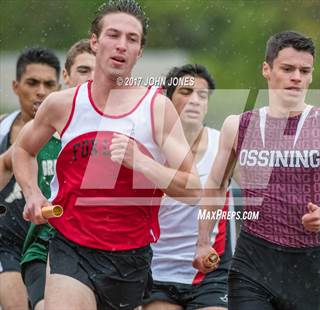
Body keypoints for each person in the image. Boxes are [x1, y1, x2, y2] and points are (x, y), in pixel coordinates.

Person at [12, 1, 201, 309]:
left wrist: (142, 163)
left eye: (132, 39)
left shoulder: (156, 108)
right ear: (95, 41)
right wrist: (33, 193)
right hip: (71, 245)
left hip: (130, 255)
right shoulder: (63, 104)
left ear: (139, 52)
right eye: (114, 35)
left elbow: (193, 188)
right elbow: (23, 149)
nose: (122, 46)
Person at [193, 31, 320, 310]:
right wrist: (203, 242)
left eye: (304, 71)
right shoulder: (238, 125)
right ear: (267, 69)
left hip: (305, 264)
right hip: (252, 259)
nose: (296, 77)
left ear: (312, 75)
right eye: (287, 69)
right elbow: (216, 186)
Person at [143, 64, 234, 310]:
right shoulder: (148, 148)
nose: (195, 100)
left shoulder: (223, 144)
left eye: (202, 95)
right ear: (167, 99)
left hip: (210, 270)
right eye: (186, 92)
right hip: (158, 269)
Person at [19, 38, 95, 310]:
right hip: (45, 244)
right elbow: (19, 154)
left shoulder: (115, 128)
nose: (91, 78)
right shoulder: (45, 125)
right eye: (84, 70)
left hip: (102, 250)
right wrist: (32, 195)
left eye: (98, 71)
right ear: (66, 75)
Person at [0, 47, 60, 310]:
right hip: (7, 244)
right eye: (32, 83)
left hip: (50, 241)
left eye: (49, 84)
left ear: (59, 86)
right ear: (16, 86)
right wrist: (12, 159)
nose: (41, 91)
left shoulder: (71, 132)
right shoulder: (2, 129)